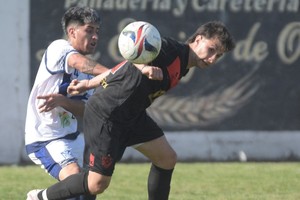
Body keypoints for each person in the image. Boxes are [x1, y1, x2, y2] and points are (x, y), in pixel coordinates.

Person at [27, 21, 235, 200]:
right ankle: (41, 197)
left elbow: (123, 66)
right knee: (96, 184)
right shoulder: (169, 49)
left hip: (133, 116)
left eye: (218, 56)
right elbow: (134, 48)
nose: (212, 59)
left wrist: (89, 85)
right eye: (211, 49)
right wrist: (143, 67)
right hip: (108, 114)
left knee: (167, 158)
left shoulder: (183, 65)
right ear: (198, 39)